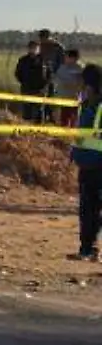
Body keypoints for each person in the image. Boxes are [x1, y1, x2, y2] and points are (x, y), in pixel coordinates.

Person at [69, 63, 102, 261]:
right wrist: (74, 152)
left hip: (99, 165)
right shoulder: (85, 104)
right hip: (86, 164)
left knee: (94, 210)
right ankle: (87, 248)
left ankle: (91, 248)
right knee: (87, 210)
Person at [15, 40, 47, 123]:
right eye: (32, 48)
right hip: (26, 89)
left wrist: (45, 86)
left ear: (39, 49)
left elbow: (49, 75)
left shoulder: (44, 61)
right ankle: (26, 130)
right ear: (28, 49)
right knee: (27, 110)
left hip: (40, 90)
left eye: (36, 48)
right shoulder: (23, 60)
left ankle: (39, 130)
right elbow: (18, 73)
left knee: (39, 111)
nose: (34, 50)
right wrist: (24, 82)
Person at [54, 48, 86, 126]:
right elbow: (57, 80)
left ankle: (72, 132)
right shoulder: (62, 68)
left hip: (75, 98)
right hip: (64, 97)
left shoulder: (80, 68)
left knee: (74, 117)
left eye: (66, 57)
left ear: (73, 58)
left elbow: (82, 83)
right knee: (64, 117)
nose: (65, 58)